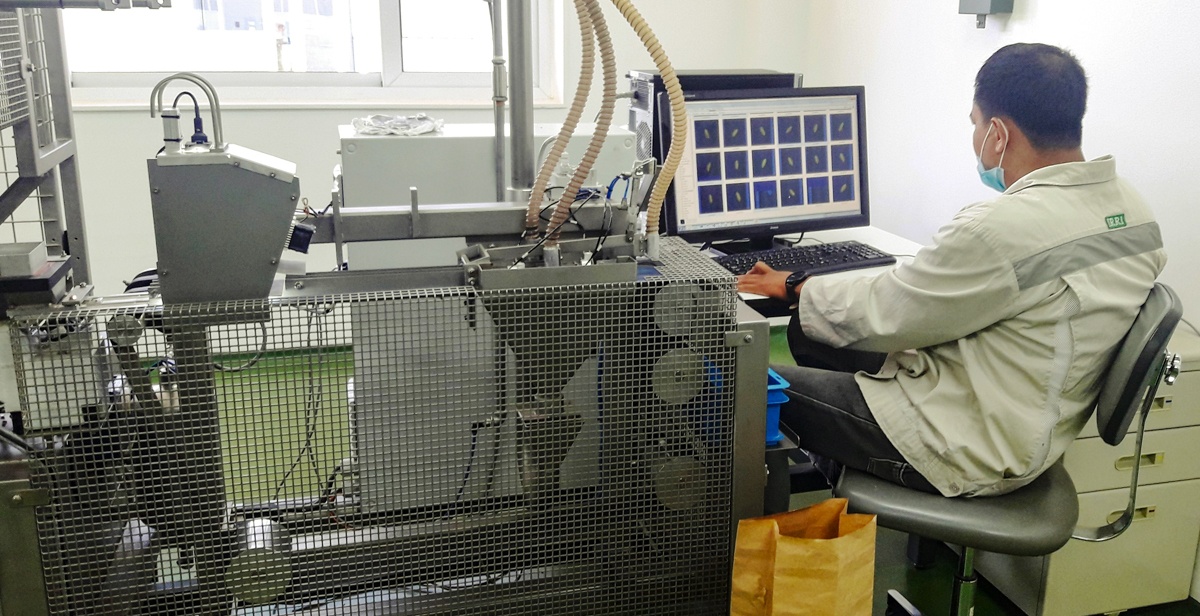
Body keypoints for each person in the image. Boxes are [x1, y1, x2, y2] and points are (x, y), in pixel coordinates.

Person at [737, 43, 1166, 497]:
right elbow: (921, 301)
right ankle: (843, 465)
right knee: (811, 332)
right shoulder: (1133, 208)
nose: (976, 136)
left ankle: (785, 512)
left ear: (997, 134)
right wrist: (812, 293)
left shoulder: (1002, 229)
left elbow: (889, 312)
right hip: (1027, 411)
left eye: (976, 124)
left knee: (754, 384)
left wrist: (795, 284)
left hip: (964, 446)